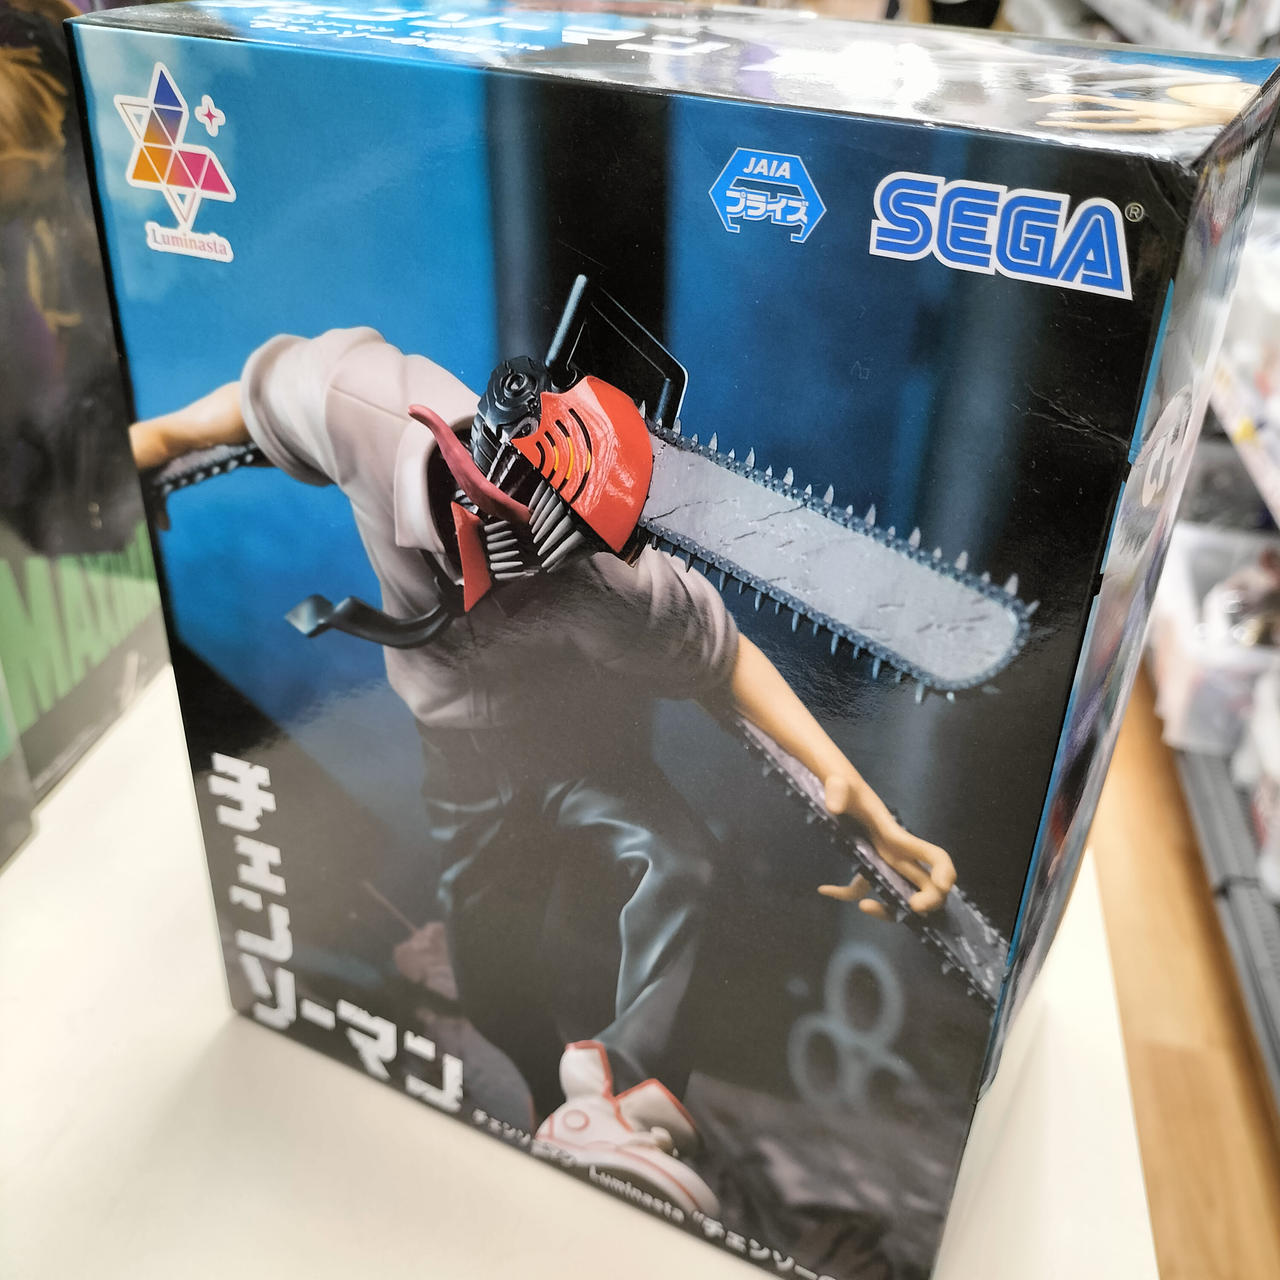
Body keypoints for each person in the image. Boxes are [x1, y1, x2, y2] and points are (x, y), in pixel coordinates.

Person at [133, 325, 955, 1214]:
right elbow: (264, 392)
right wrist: (161, 438)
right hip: (459, 758)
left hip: (574, 748)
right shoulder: (363, 405)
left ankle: (620, 1099)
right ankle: (539, 1097)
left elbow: (725, 662)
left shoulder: (602, 584)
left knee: (680, 858)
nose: (528, 568)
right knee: (492, 976)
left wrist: (858, 798)